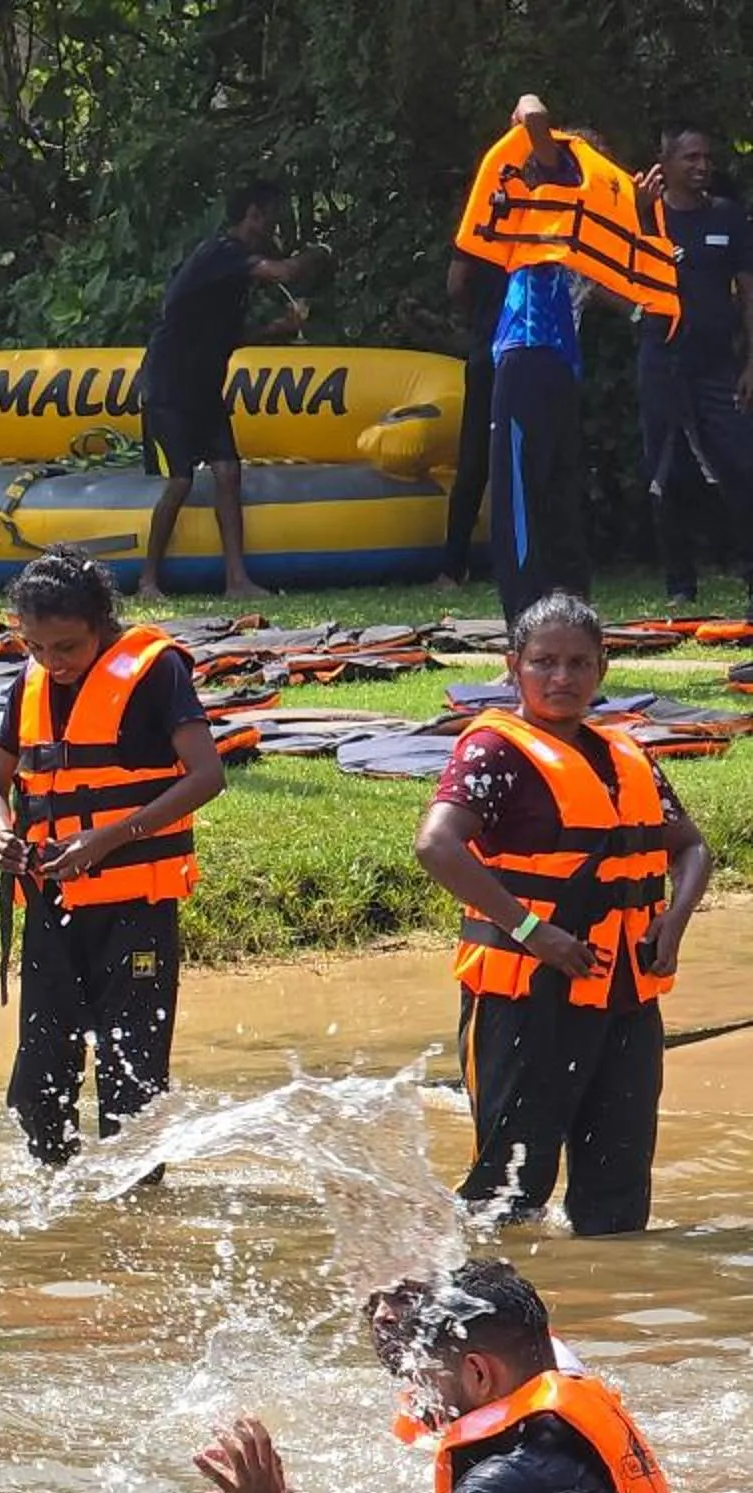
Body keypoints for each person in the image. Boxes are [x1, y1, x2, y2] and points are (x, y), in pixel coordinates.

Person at [414, 591, 711, 1236]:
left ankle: (605, 1318)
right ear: (512, 664)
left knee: (619, 1201)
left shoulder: (628, 756)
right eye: (544, 662)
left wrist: (674, 922)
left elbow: (690, 847)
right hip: (525, 1002)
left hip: (626, 1001)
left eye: (579, 664)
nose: (562, 679)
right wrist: (530, 930)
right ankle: (501, 1324)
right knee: (507, 1199)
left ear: (601, 669)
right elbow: (435, 844)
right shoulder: (494, 752)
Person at [198, 1260, 696, 1493]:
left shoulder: (518, 1473)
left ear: (479, 1373)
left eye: (427, 1376)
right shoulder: (554, 1426)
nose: (422, 1397)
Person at [0, 546, 226, 1166]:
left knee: (132, 1088)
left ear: (101, 625)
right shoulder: (30, 679)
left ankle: (135, 1220)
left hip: (133, 909)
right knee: (38, 1089)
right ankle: (56, 1218)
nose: (51, 662)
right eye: (36, 647)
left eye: (66, 647)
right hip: (51, 906)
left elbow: (207, 775)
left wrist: (111, 837)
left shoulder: (156, 671)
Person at [458, 97, 681, 622]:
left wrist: (527, 115)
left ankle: (525, 623)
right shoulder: (586, 234)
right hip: (561, 367)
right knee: (557, 494)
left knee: (521, 498)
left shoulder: (557, 203)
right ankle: (571, 615)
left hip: (527, 358)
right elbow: (626, 287)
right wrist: (643, 211)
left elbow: (533, 116)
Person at [137, 180, 314, 602]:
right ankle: (147, 580)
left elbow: (231, 339)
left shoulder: (232, 278)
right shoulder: (221, 254)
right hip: (167, 386)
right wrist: (322, 253)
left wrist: (278, 330)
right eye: (271, 215)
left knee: (228, 473)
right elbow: (283, 272)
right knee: (180, 481)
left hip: (203, 388)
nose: (275, 225)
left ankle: (237, 580)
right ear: (252, 214)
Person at [635, 124, 753, 617]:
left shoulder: (727, 216)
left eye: (707, 157)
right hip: (662, 361)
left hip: (718, 366)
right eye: (691, 158)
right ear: (666, 161)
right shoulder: (648, 218)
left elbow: (747, 294)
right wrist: (640, 214)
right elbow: (613, 272)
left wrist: (751, 361)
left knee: (741, 466)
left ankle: (749, 575)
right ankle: (680, 586)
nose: (702, 166)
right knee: (667, 476)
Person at [434, 250, 508, 590]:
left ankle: (452, 567)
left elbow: (455, 283)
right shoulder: (541, 216)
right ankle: (523, 561)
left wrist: (475, 316)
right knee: (523, 459)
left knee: (474, 459)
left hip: (487, 347)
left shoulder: (479, 224)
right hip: (526, 346)